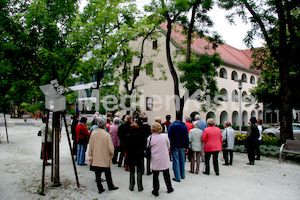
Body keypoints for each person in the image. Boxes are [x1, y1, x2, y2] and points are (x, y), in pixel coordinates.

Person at [88, 118, 118, 194]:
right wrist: (111, 155)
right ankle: (110, 186)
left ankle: (100, 188)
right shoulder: (106, 135)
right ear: (104, 126)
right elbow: (110, 147)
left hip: (96, 156)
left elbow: (90, 145)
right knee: (107, 173)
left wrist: (90, 156)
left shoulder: (93, 134)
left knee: (97, 174)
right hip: (105, 156)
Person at [148, 123, 174, 197]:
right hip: (164, 156)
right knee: (166, 173)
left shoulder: (150, 138)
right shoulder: (165, 136)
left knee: (155, 175)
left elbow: (148, 146)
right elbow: (169, 146)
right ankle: (169, 188)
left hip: (155, 157)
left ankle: (155, 190)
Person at [168, 113, 189, 182]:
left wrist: (169, 147)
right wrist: (187, 146)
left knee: (176, 161)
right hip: (182, 145)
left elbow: (169, 137)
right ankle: (182, 175)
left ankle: (177, 176)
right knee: (182, 160)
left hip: (174, 145)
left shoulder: (171, 126)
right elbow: (186, 137)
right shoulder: (184, 126)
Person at [125, 123, 145, 192]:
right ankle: (140, 186)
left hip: (131, 155)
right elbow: (143, 146)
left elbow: (126, 147)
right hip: (139, 155)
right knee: (139, 171)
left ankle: (131, 185)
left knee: (132, 171)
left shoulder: (128, 137)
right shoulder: (141, 137)